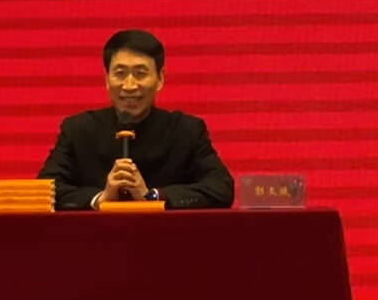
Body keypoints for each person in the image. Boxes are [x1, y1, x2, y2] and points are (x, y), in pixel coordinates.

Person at [37, 30, 234, 210]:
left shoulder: (186, 130)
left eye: (140, 74)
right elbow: (46, 191)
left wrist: (153, 196)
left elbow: (221, 189)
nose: (130, 85)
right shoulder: (78, 130)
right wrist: (100, 198)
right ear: (107, 79)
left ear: (160, 78)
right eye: (120, 73)